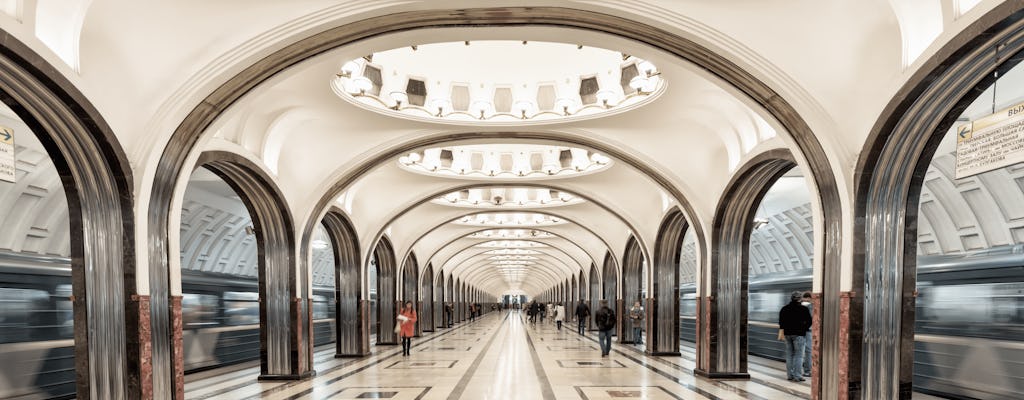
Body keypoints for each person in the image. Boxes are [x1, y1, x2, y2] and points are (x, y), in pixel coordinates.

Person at [778, 291, 812, 381]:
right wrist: (803, 328)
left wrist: (787, 328)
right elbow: (809, 322)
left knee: (789, 355)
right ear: (800, 299)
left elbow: (781, 323)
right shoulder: (803, 309)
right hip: (799, 335)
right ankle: (797, 376)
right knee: (799, 355)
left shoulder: (784, 309)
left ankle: (790, 375)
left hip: (787, 334)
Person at [802, 292, 813, 377]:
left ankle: (794, 371)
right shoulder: (811, 307)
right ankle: (807, 371)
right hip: (808, 331)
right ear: (809, 298)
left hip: (798, 331)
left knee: (797, 352)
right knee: (808, 351)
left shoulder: (798, 306)